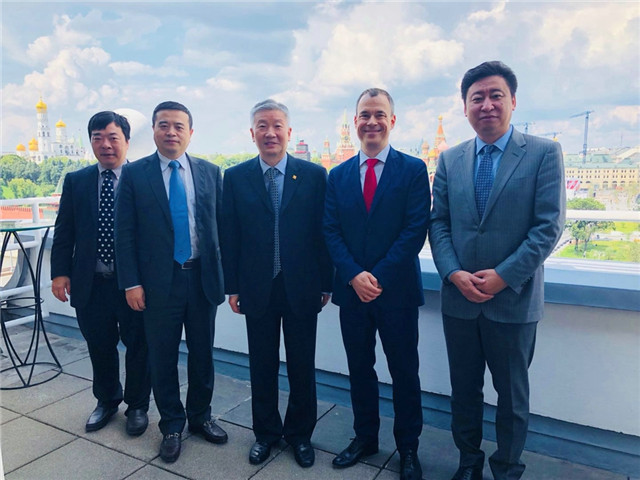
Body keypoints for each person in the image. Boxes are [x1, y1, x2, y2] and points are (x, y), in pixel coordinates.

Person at [429, 61, 566, 480]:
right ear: (465, 107)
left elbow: (548, 226)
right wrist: (453, 273)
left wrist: (504, 275)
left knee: (512, 398)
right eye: (477, 98)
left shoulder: (543, 153)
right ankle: (468, 463)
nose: (486, 105)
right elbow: (439, 223)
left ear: (512, 101)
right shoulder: (450, 159)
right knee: (464, 392)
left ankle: (507, 469)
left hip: (513, 300)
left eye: (495, 96)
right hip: (460, 299)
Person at [323, 88, 431, 480]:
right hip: (352, 293)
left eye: (379, 114)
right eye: (365, 115)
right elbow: (330, 230)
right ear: (355, 123)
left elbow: (414, 229)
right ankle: (365, 437)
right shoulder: (338, 176)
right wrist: (354, 275)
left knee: (405, 373)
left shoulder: (413, 170)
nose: (372, 122)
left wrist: (378, 276)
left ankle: (408, 448)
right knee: (360, 369)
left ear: (392, 121)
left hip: (397, 292)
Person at [220, 99, 333, 468]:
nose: (270, 133)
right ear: (252, 133)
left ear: (289, 131)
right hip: (257, 287)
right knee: (262, 365)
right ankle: (266, 434)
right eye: (262, 126)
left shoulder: (314, 175)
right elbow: (230, 236)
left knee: (302, 366)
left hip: (302, 286)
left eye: (277, 125)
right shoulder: (235, 177)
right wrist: (233, 287)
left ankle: (300, 435)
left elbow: (323, 233)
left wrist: (326, 283)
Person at [114, 101, 227, 463]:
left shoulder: (210, 172)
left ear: (190, 132)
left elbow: (221, 229)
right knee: (162, 358)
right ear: (154, 130)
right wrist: (131, 283)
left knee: (203, 354)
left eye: (179, 126)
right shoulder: (135, 174)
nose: (171, 132)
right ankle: (172, 426)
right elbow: (124, 233)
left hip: (201, 279)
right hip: (157, 284)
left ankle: (200, 417)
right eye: (164, 125)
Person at [51, 111, 151, 436]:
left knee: (139, 346)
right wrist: (59, 273)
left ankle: (137, 406)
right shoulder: (77, 181)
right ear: (91, 142)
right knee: (99, 345)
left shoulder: (144, 179)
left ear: (127, 141)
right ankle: (107, 400)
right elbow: (64, 231)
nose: (105, 145)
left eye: (112, 137)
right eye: (98, 138)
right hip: (91, 282)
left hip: (133, 284)